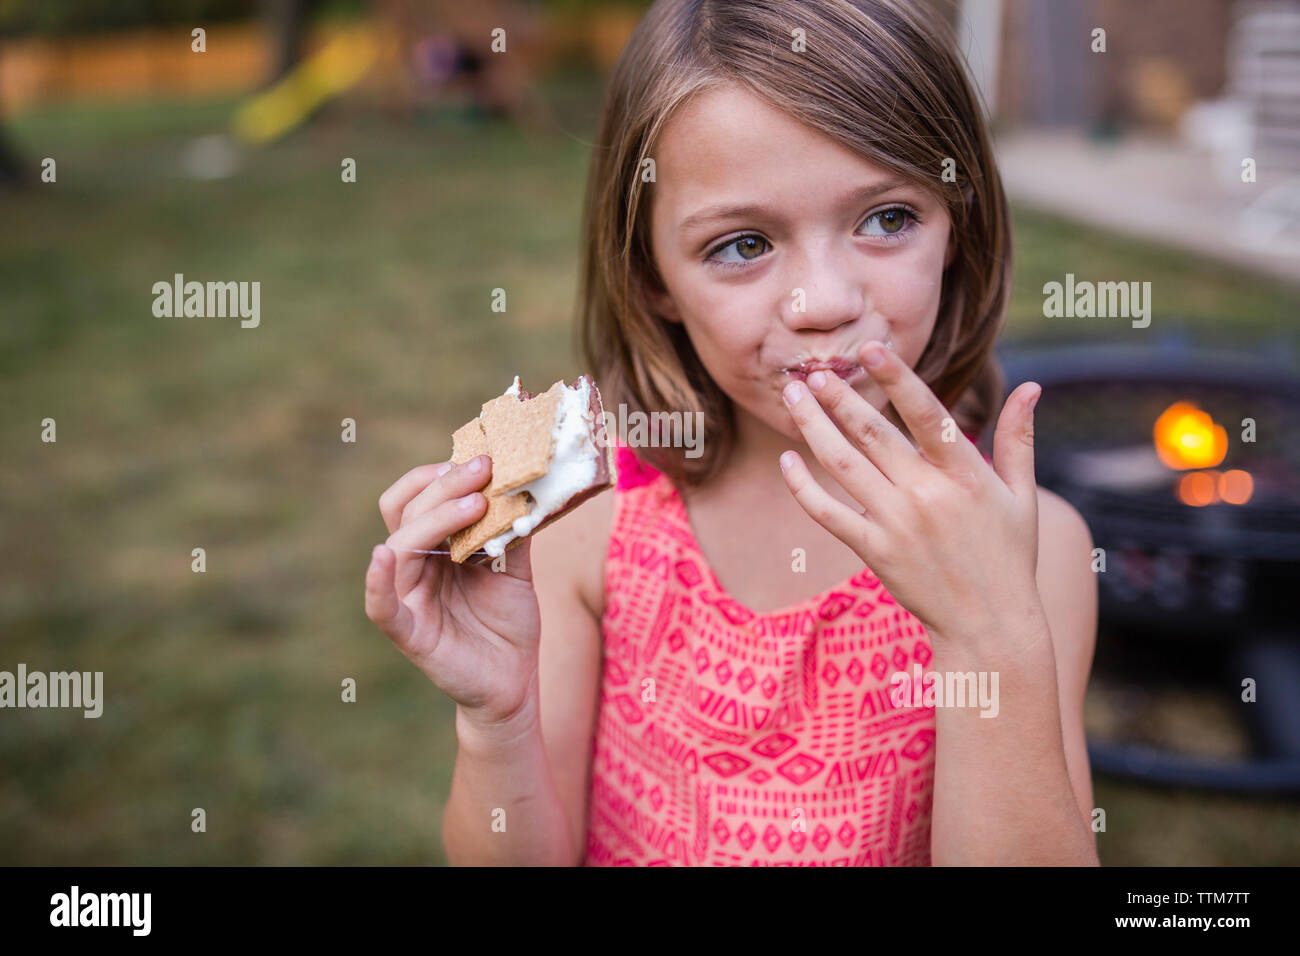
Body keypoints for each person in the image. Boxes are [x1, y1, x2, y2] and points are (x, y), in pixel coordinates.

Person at [365, 0, 1100, 866]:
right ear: (653, 281)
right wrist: (497, 721)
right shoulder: (587, 534)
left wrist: (989, 634)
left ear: (957, 226)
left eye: (888, 218)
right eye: (743, 243)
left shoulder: (1030, 549)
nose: (823, 301)